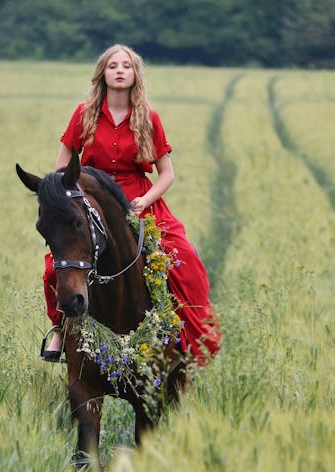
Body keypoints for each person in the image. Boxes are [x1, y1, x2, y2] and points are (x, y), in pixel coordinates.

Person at [41, 44, 221, 365]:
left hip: (139, 201)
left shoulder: (149, 118)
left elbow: (167, 173)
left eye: (126, 65)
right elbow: (61, 168)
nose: (120, 70)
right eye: (113, 66)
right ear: (103, 74)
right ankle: (60, 329)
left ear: (135, 74)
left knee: (185, 259)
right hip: (92, 198)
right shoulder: (83, 115)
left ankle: (182, 338)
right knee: (56, 266)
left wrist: (144, 201)